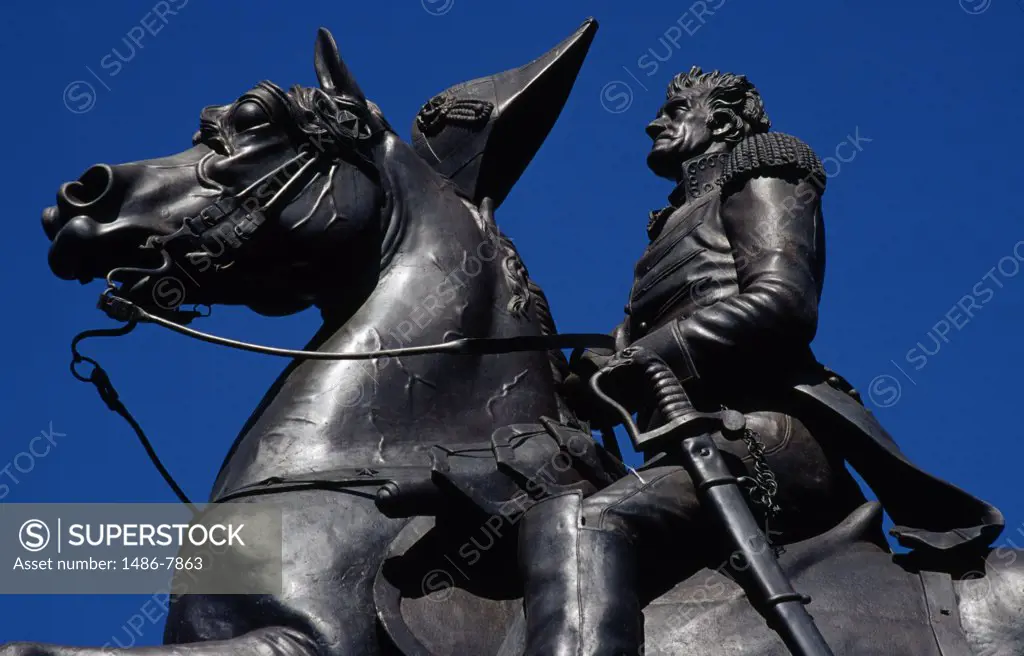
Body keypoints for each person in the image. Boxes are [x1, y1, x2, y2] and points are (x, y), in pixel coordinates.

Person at [517, 66, 1004, 655]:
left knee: (584, 524)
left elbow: (783, 302)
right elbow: (631, 351)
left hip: (763, 436)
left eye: (675, 111)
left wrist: (641, 356)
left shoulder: (763, 171)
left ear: (719, 121)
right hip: (685, 442)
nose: (655, 122)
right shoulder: (672, 224)